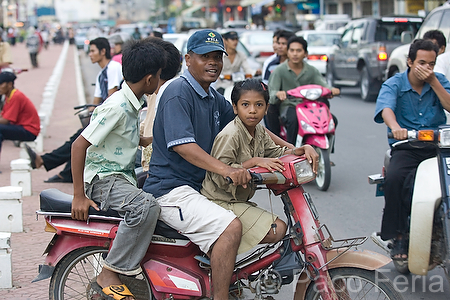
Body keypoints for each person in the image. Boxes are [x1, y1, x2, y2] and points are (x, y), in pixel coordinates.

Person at [143, 29, 293, 300]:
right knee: (230, 227)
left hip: (199, 187)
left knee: (272, 228)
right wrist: (229, 170)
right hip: (172, 190)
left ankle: (222, 276)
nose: (212, 62)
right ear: (188, 59)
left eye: (217, 57)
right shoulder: (179, 92)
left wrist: (290, 149)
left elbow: (249, 123)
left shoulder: (211, 96)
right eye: (204, 57)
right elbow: (183, 146)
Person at [71, 38, 165, 300]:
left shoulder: (132, 102)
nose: (159, 82)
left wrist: (154, 140)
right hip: (103, 179)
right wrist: (79, 195)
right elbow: (79, 146)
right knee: (145, 206)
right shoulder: (117, 106)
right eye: (158, 76)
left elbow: (125, 137)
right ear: (149, 80)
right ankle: (112, 270)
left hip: (122, 176)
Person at [201, 78, 318, 254]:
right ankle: (220, 253)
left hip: (238, 200)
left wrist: (301, 149)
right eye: (245, 105)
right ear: (235, 107)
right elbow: (220, 174)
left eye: (259, 105)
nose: (253, 111)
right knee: (277, 228)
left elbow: (277, 153)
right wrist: (254, 161)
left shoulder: (260, 131)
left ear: (266, 108)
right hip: (220, 201)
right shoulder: (230, 135)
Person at [373, 39, 450, 260]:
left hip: (438, 146)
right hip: (407, 146)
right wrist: (396, 128)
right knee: (397, 179)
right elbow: (386, 108)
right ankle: (399, 238)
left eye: (431, 64)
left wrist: (434, 81)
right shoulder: (395, 83)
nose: (427, 68)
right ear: (409, 61)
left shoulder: (439, 81)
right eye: (422, 62)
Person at [25, 37, 123, 183]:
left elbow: (112, 95)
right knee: (78, 139)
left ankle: (47, 163)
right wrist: (89, 115)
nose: (89, 54)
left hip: (114, 118)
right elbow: (95, 102)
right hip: (104, 117)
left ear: (103, 51)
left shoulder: (114, 68)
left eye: (92, 51)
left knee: (79, 140)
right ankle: (55, 167)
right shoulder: (100, 74)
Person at [268, 36, 340, 145]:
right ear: (287, 52)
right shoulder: (279, 71)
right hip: (289, 106)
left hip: (310, 107)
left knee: (332, 120)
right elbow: (271, 93)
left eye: (299, 51)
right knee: (294, 120)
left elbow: (324, 86)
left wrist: (332, 90)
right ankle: (291, 150)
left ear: (305, 53)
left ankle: (328, 152)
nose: (295, 54)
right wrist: (278, 94)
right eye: (292, 50)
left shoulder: (312, 70)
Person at [140, 38, 181, 176]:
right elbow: (147, 122)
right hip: (149, 164)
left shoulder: (173, 96)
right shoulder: (151, 92)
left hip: (161, 171)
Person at [0, 72, 40, 164]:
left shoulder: (16, 96)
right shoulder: (8, 95)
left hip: (29, 131)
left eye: (1, 84)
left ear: (10, 84)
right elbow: (3, 116)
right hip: (20, 127)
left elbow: (5, 121)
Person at [263, 30, 295, 137]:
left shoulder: (301, 66)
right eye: (278, 43)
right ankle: (275, 141)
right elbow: (266, 86)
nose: (279, 46)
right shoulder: (272, 64)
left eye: (283, 44)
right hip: (277, 102)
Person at [214, 31, 259, 95]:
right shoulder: (220, 56)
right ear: (225, 41)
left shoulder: (241, 55)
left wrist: (255, 72)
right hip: (222, 86)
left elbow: (247, 69)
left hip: (237, 86)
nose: (235, 42)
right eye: (232, 39)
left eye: (237, 39)